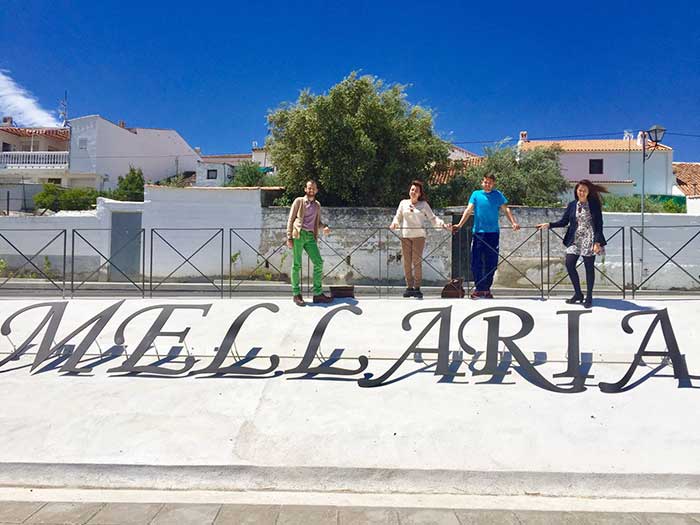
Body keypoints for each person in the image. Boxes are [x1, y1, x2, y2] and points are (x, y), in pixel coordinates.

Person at [537, 179, 607, 308]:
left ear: (588, 192)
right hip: (575, 238)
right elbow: (564, 222)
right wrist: (549, 224)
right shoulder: (572, 205)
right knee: (569, 264)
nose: (582, 192)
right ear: (576, 191)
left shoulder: (594, 204)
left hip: (590, 237)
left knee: (589, 268)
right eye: (580, 190)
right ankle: (578, 294)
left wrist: (597, 242)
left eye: (584, 190)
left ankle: (589, 297)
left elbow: (599, 225)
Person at [452, 174, 520, 299]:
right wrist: (460, 224)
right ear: (482, 183)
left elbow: (506, 209)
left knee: (492, 262)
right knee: (475, 262)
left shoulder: (498, 195)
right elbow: (468, 210)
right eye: (485, 182)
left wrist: (513, 222)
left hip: (493, 234)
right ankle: (479, 289)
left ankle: (486, 289)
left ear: (493, 184)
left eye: (490, 182)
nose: (487, 184)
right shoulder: (476, 194)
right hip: (478, 233)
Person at [390, 180, 452, 298]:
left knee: (416, 261)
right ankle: (409, 287)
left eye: (416, 191)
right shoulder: (403, 203)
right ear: (409, 191)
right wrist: (394, 224)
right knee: (406, 262)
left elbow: (433, 219)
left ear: (419, 194)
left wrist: (444, 225)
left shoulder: (423, 205)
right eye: (412, 190)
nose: (413, 192)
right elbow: (398, 217)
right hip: (405, 236)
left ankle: (417, 287)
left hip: (419, 236)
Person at [286, 180, 333, 307]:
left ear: (316, 190)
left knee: (318, 262)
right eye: (309, 188)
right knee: (297, 265)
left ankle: (317, 294)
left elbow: (317, 223)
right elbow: (291, 219)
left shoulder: (317, 205)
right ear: (305, 189)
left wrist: (324, 227)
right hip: (298, 235)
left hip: (310, 237)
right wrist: (289, 237)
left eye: (313, 188)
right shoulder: (299, 201)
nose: (311, 190)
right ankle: (296, 294)